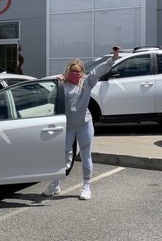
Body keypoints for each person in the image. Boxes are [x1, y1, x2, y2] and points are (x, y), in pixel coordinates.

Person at [42, 46, 120, 200]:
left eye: (78, 71)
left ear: (82, 72)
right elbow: (50, 100)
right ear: (67, 71)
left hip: (84, 124)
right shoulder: (61, 84)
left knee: (86, 156)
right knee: (62, 156)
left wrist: (113, 59)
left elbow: (99, 70)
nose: (75, 74)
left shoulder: (87, 82)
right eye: (73, 71)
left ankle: (86, 187)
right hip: (68, 126)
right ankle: (55, 184)